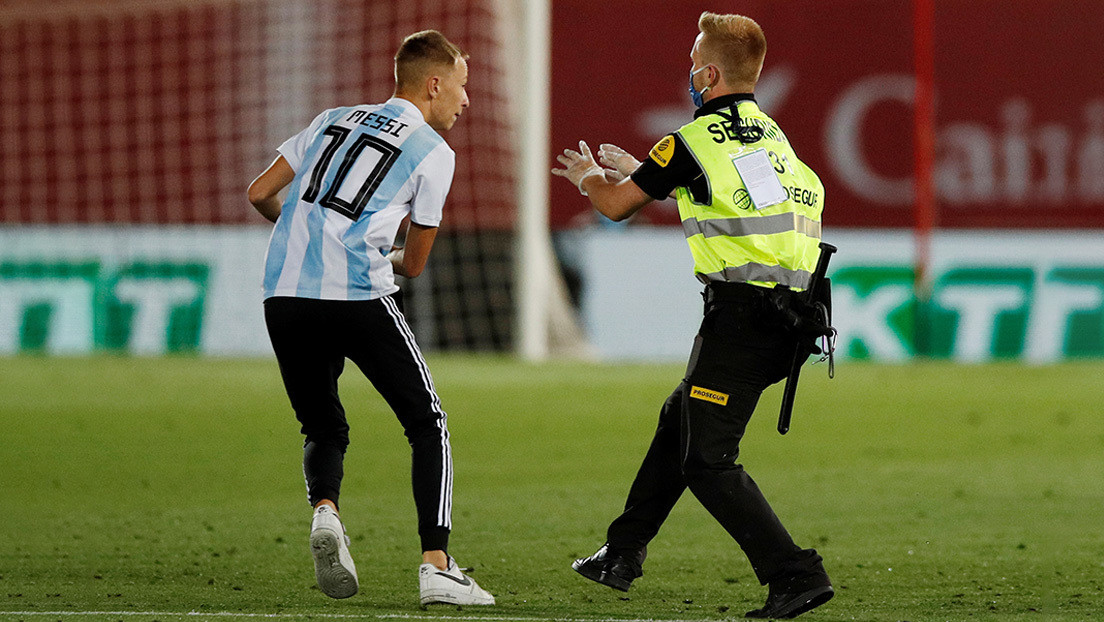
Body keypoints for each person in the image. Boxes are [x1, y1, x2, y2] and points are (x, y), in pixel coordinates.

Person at [551, 12, 833, 620]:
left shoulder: (692, 141)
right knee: (678, 420)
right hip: (793, 319)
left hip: (741, 319)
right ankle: (621, 553)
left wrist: (589, 178)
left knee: (706, 458)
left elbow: (617, 207)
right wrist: (646, 170)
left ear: (708, 73)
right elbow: (731, 191)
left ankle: (795, 575)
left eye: (692, 61)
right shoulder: (771, 136)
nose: (689, 73)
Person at [247, 29, 494, 607]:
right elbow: (414, 262)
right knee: (426, 421)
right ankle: (437, 564)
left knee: (324, 426)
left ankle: (326, 513)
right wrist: (383, 253)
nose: (465, 100)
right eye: (460, 86)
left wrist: (306, 238)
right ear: (433, 85)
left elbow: (260, 192)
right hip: (359, 296)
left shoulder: (330, 117)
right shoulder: (435, 152)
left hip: (284, 294)